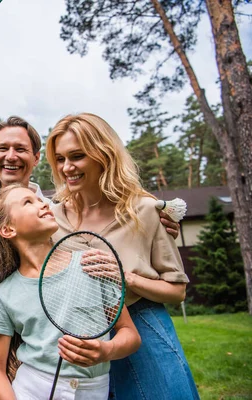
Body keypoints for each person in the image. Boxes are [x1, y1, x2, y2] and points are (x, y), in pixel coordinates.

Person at [0, 78, 180, 399]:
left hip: (27, 351)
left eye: (20, 149)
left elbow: (100, 220)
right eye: (2, 148)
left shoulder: (52, 214)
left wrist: (149, 222)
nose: (10, 155)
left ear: (35, 158)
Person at [45, 113, 199, 400]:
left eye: (77, 156)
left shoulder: (146, 210)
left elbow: (177, 291)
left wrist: (125, 278)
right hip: (76, 339)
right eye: (60, 158)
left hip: (144, 333)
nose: (67, 167)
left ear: (103, 154)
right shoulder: (50, 219)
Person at [0, 184, 141, 399]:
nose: (44, 203)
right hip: (32, 389)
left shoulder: (91, 265)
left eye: (40, 199)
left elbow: (130, 334)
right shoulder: (4, 294)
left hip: (93, 390)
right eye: (28, 202)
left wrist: (106, 351)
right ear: (8, 229)